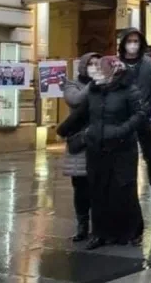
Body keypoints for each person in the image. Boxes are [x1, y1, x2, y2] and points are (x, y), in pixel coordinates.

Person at [59, 56, 147, 249]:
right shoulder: (95, 91)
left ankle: (131, 232)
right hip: (97, 146)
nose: (99, 71)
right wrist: (63, 130)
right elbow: (81, 113)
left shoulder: (129, 90)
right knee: (98, 190)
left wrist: (120, 131)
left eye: (103, 68)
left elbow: (140, 115)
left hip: (123, 147)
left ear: (114, 70)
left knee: (124, 189)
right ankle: (100, 233)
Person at [118, 28, 151, 219]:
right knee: (125, 161)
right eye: (129, 41)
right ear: (123, 43)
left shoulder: (150, 65)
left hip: (146, 119)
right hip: (123, 119)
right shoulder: (116, 64)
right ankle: (126, 202)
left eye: (136, 41)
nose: (133, 44)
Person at [57, 52, 101, 242]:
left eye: (97, 64)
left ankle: (98, 226)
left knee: (98, 187)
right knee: (81, 187)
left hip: (99, 141)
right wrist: (93, 83)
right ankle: (82, 225)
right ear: (83, 66)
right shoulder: (72, 84)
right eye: (90, 63)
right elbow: (74, 100)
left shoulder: (104, 84)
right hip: (80, 142)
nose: (93, 66)